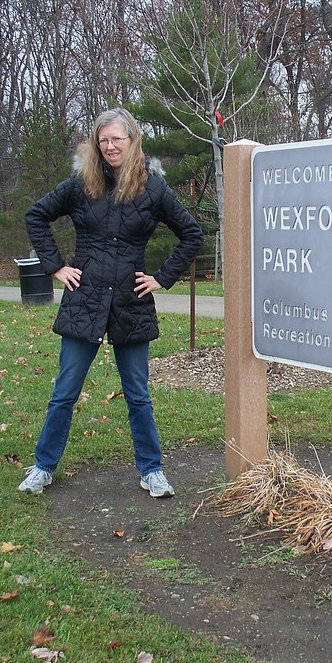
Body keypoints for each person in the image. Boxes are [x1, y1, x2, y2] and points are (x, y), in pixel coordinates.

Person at [19, 108, 203, 498]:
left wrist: (161, 277)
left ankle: (151, 470)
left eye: (117, 138)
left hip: (131, 301)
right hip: (84, 299)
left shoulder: (153, 188)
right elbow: (36, 215)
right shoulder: (81, 184)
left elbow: (191, 233)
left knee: (138, 394)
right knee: (65, 391)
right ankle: (43, 467)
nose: (110, 146)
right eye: (103, 140)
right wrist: (56, 267)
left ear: (132, 140)